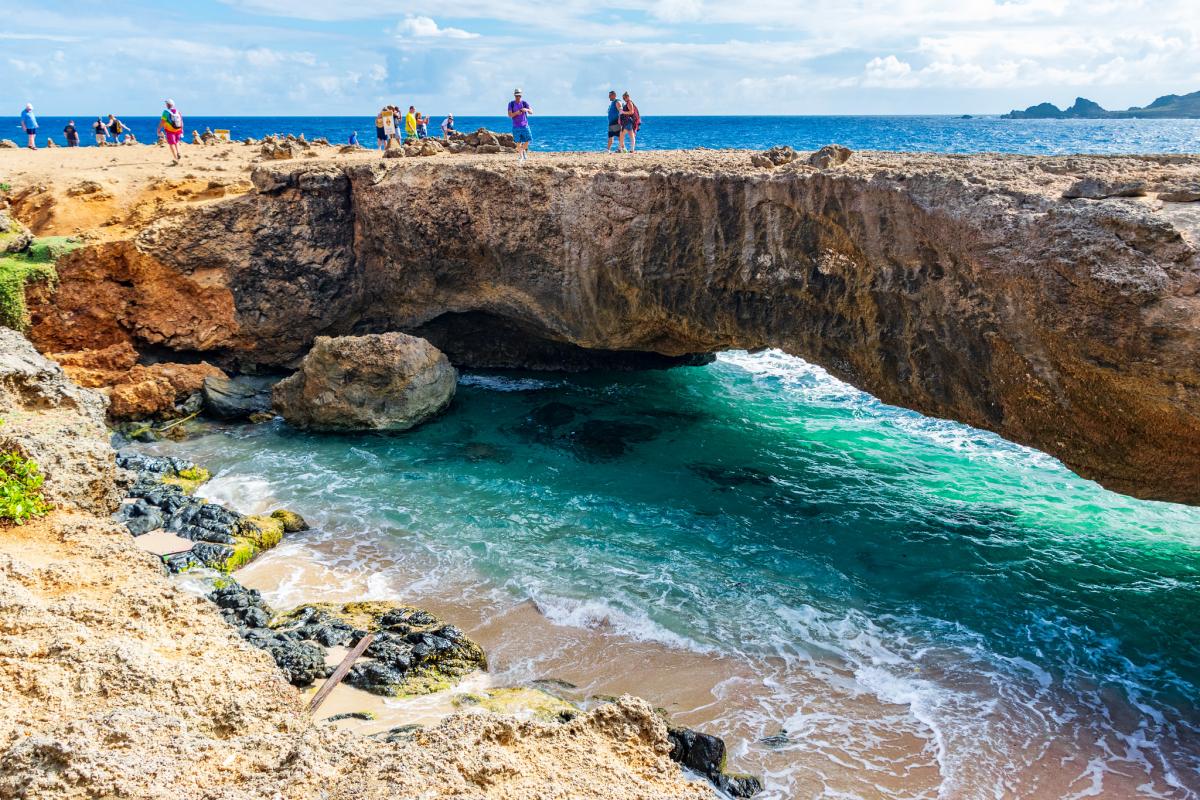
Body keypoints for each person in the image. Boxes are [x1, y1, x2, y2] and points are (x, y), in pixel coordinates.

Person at [507, 88, 532, 162]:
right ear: (514, 95)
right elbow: (509, 115)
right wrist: (516, 113)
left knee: (528, 140)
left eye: (519, 96)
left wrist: (526, 110)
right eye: (516, 96)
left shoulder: (524, 103)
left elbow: (531, 112)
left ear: (521, 95)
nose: (518, 97)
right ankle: (521, 156)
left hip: (525, 125)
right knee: (518, 142)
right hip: (516, 126)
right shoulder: (511, 104)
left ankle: (522, 150)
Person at [157, 99, 184, 163]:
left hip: (170, 130)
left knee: (171, 144)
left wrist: (158, 129)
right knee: (176, 142)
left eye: (166, 104)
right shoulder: (178, 111)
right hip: (178, 129)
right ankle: (178, 152)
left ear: (168, 104)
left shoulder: (166, 112)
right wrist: (182, 130)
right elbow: (182, 121)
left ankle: (175, 158)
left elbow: (162, 122)